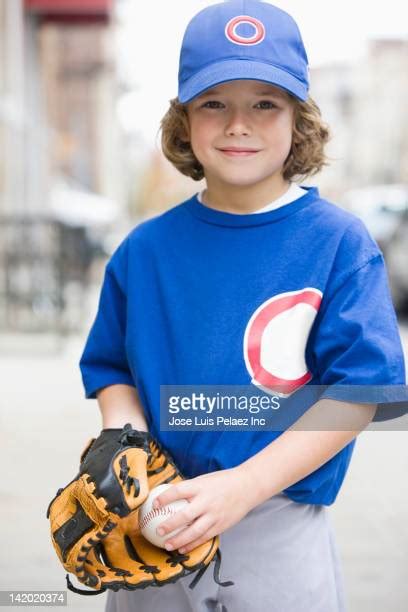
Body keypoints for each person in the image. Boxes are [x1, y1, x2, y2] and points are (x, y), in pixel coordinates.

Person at [79, 1, 408, 611]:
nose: (239, 124)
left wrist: (245, 485)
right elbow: (113, 368)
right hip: (158, 517)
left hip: (277, 518)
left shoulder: (337, 243)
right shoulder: (144, 252)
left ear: (298, 120)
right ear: (183, 121)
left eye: (265, 103)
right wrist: (125, 448)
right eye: (214, 103)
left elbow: (362, 391)